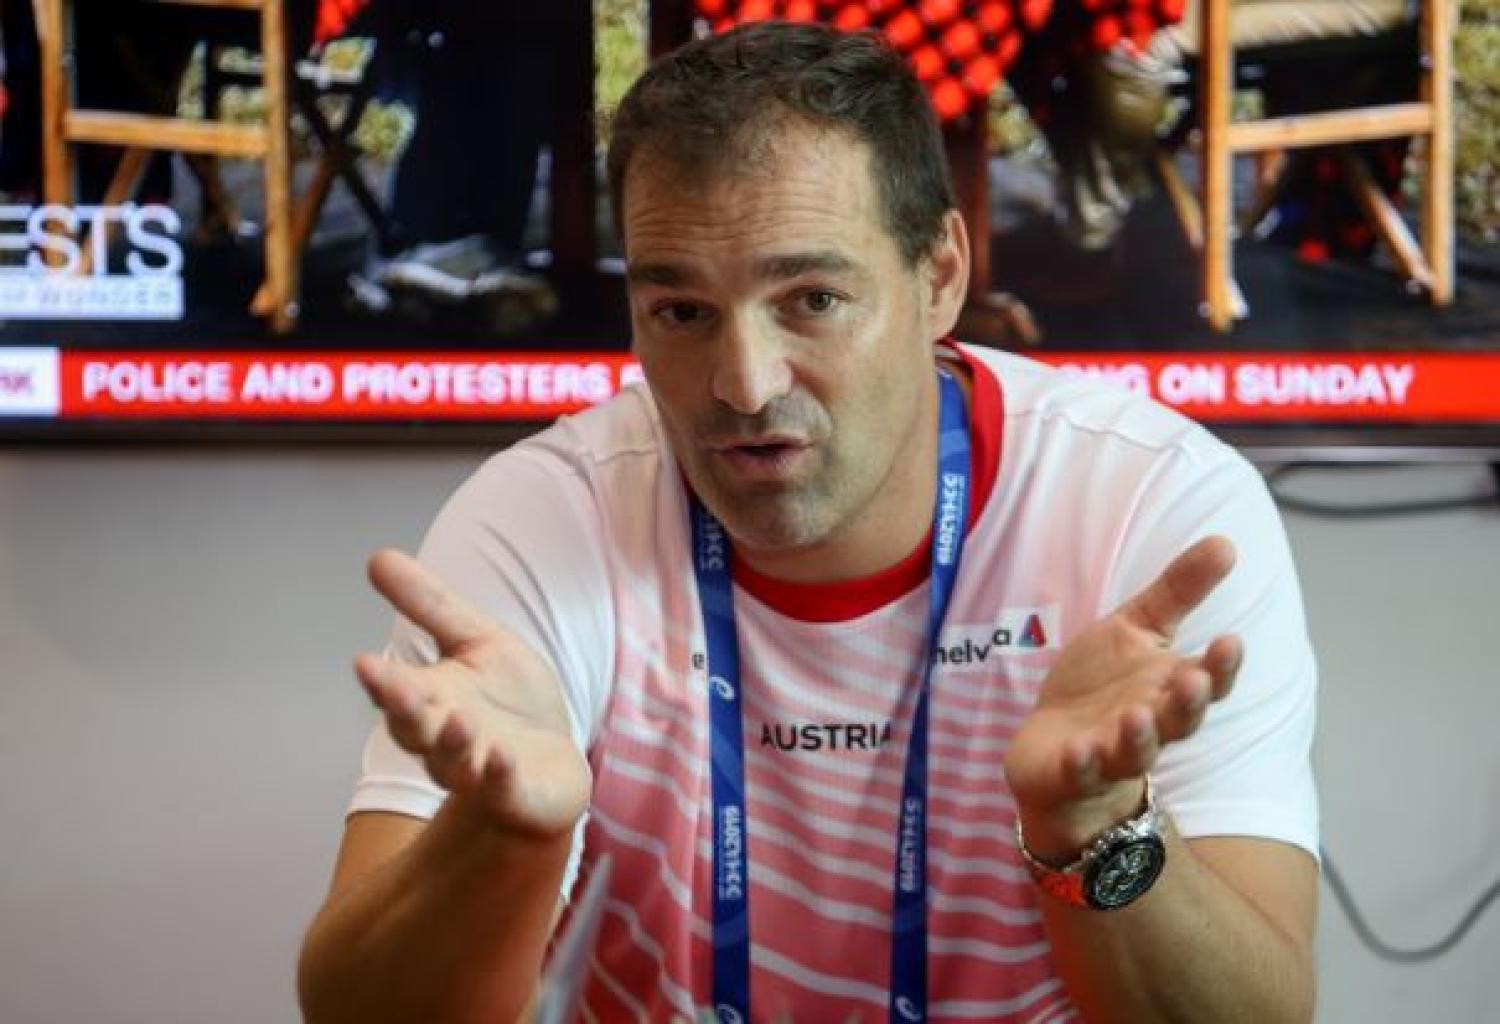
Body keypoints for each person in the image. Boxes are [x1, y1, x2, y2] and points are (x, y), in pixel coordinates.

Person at [298, 20, 1318, 1024]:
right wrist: (500, 840)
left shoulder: (1150, 508)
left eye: (812, 300)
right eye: (682, 312)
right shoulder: (542, 517)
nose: (744, 386)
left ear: (940, 277)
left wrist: (1095, 830)